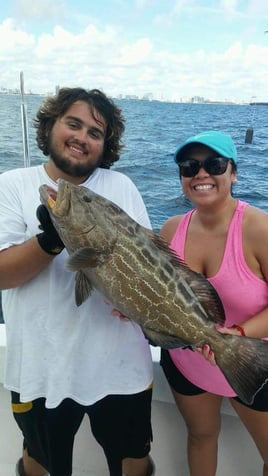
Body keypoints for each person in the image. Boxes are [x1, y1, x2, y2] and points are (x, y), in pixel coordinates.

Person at [0, 87, 155, 476]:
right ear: (51, 125)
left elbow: (149, 267)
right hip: (41, 370)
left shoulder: (122, 187)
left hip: (122, 369)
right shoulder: (11, 185)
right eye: (73, 124)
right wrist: (50, 240)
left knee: (133, 460)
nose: (82, 137)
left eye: (95, 132)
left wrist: (138, 306)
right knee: (41, 463)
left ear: (106, 144)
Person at [160, 130, 268, 476]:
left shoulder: (259, 229)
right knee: (201, 435)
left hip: (252, 365)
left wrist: (236, 333)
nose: (201, 174)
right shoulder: (169, 230)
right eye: (189, 166)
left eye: (214, 164)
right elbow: (159, 296)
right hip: (187, 362)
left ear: (233, 173)